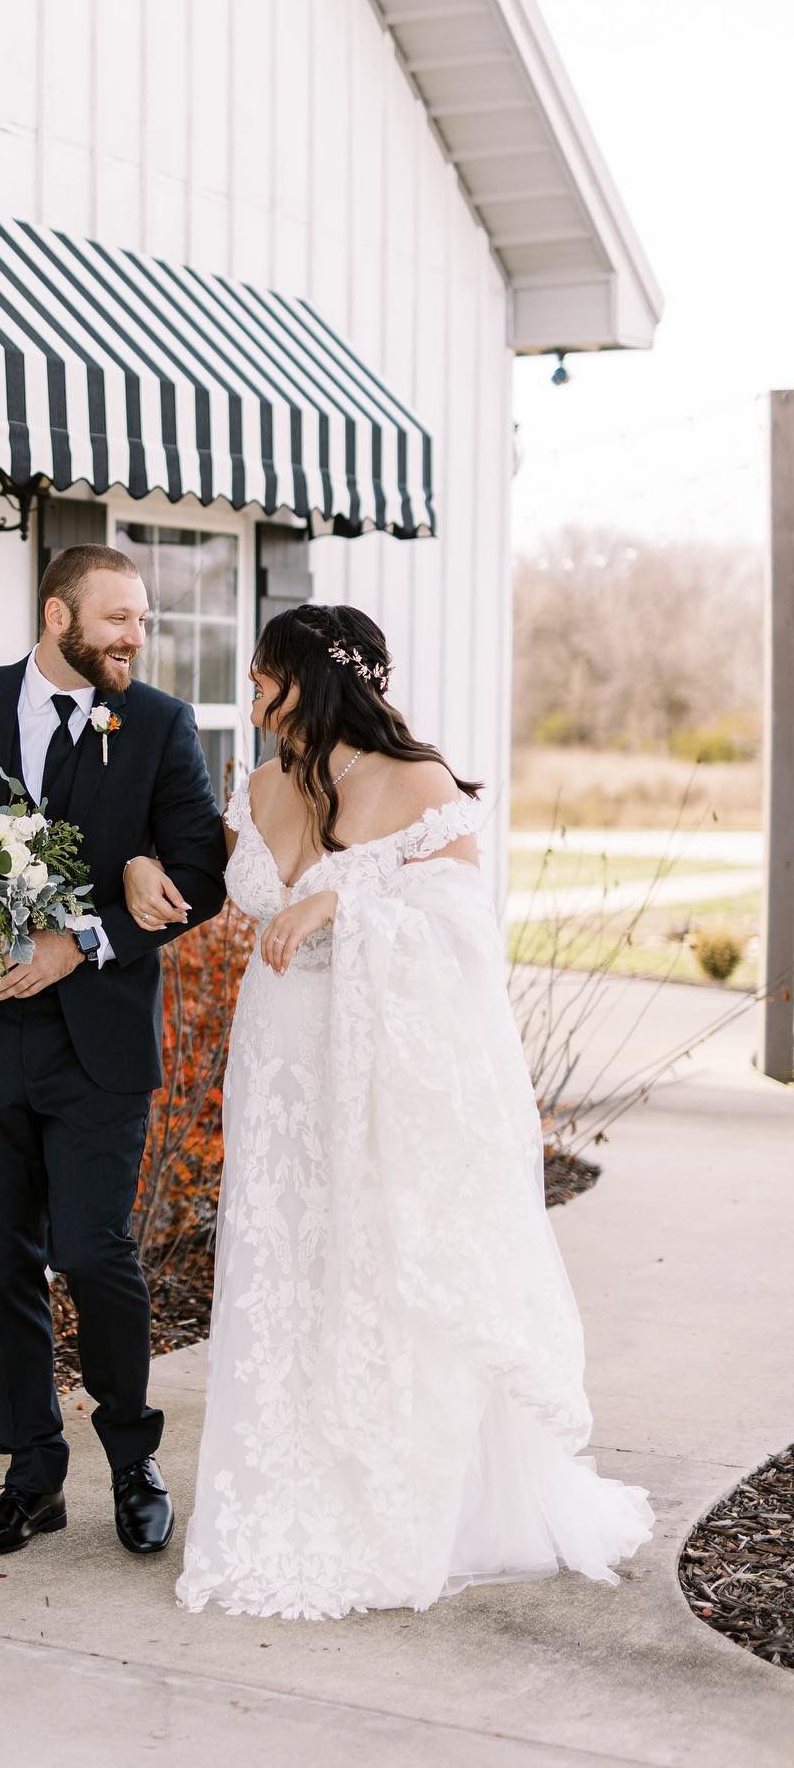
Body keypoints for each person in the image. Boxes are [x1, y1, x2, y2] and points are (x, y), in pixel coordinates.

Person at [123, 602, 653, 1620]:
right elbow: (198, 879)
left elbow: (461, 930)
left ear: (312, 683)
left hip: (376, 1078)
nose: (249, 697)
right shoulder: (263, 784)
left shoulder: (418, 782)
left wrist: (344, 903)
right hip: (277, 1065)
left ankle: (392, 1497)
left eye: (262, 678)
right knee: (285, 1261)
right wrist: (144, 862)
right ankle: (283, 1483)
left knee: (369, 1260)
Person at [0, 544, 228, 1559]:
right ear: (58, 617)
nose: (137, 637)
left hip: (97, 1039)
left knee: (94, 1251)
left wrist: (82, 940)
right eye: (118, 619)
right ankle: (31, 1475)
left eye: (144, 621)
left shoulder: (161, 725)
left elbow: (199, 879)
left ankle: (134, 1460)